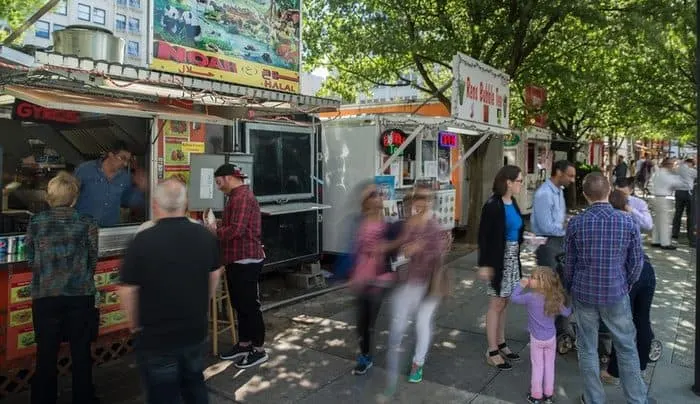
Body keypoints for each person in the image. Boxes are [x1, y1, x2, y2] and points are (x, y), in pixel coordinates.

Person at [118, 179, 222, 404]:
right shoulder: (204, 236)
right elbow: (215, 273)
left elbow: (128, 290)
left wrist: (134, 323)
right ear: (185, 204)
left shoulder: (142, 239)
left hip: (156, 336)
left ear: (155, 205)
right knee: (195, 384)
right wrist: (202, 303)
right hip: (195, 329)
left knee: (163, 393)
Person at [564, 173, 647, 404]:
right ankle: (637, 399)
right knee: (626, 347)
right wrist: (626, 284)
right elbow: (637, 262)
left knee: (587, 348)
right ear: (609, 190)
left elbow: (569, 264)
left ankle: (593, 399)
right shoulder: (628, 221)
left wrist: (569, 288)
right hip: (616, 293)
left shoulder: (576, 223)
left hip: (584, 293)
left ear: (584, 194)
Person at [26, 172, 99, 404]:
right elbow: (92, 260)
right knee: (81, 351)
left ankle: (43, 399)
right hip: (80, 295)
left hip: (45, 296)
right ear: (74, 198)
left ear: (50, 197)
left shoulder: (36, 222)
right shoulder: (87, 223)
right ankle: (84, 398)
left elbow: (30, 259)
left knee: (45, 353)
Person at [383, 186, 449, 398]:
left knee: (422, 322)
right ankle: (396, 355)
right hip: (410, 282)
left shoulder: (434, 225)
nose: (420, 204)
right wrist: (406, 250)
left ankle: (417, 364)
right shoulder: (409, 224)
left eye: (425, 199)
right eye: (417, 200)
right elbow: (401, 249)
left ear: (430, 202)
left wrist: (422, 249)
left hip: (430, 283)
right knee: (400, 321)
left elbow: (440, 253)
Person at [209, 164, 268, 368]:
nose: (218, 187)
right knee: (240, 306)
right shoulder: (236, 196)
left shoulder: (241, 197)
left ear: (228, 178)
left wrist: (213, 231)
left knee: (249, 306)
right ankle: (244, 345)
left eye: (218, 182)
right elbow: (235, 225)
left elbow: (236, 230)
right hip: (237, 259)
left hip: (246, 259)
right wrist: (218, 224)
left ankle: (259, 350)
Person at [600, 189, 657, 386]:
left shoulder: (610, 222)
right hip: (647, 269)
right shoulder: (632, 219)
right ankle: (641, 367)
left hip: (628, 274)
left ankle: (614, 372)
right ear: (626, 204)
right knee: (643, 320)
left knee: (622, 324)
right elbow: (648, 226)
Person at [478, 165, 525, 370]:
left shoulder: (512, 202)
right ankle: (492, 350)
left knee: (504, 302)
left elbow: (516, 229)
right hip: (498, 259)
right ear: (508, 182)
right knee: (496, 303)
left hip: (512, 258)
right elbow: (484, 237)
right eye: (519, 181)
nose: (521, 185)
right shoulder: (492, 205)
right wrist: (484, 264)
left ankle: (501, 342)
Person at [349, 183, 399, 375]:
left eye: (378, 194)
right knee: (361, 322)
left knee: (369, 320)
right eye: (373, 194)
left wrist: (385, 247)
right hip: (362, 275)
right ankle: (365, 355)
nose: (377, 196)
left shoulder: (388, 223)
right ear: (366, 201)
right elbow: (355, 248)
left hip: (380, 277)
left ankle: (365, 356)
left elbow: (400, 243)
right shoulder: (359, 221)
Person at [511, 268, 572, 404]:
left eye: (533, 277)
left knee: (538, 366)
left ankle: (536, 396)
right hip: (551, 338)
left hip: (537, 339)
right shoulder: (554, 298)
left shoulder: (530, 297)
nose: (529, 278)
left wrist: (521, 284)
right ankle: (548, 395)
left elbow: (513, 298)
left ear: (541, 283)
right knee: (549, 366)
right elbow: (567, 313)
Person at [74, 141, 147, 227]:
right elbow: (71, 195)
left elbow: (129, 200)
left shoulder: (125, 177)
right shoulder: (85, 170)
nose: (125, 163)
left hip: (109, 230)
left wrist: (141, 187)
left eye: (128, 160)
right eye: (122, 158)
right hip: (83, 230)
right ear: (111, 155)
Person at [530, 160, 576, 268]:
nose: (573, 180)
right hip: (547, 243)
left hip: (559, 241)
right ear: (559, 172)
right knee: (551, 280)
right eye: (570, 176)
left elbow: (558, 218)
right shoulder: (544, 193)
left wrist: (567, 220)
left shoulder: (559, 191)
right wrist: (566, 225)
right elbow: (545, 227)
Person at [651, 158, 684, 250]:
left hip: (657, 197)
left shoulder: (658, 172)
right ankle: (665, 243)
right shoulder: (665, 174)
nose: (673, 166)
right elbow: (677, 183)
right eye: (673, 164)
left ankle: (656, 240)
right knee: (665, 221)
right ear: (668, 165)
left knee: (658, 221)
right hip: (663, 198)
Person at [672, 158, 697, 245]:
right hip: (688, 193)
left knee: (678, 213)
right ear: (690, 163)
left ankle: (675, 233)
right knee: (690, 215)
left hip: (678, 192)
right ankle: (690, 234)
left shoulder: (678, 169)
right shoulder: (692, 171)